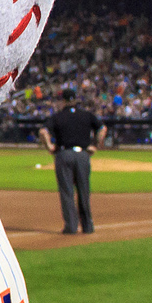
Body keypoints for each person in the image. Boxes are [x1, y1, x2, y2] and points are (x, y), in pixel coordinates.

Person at [41, 89, 107, 234]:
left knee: (67, 191)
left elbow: (43, 132)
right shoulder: (86, 115)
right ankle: (88, 226)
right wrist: (95, 145)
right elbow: (102, 129)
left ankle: (71, 226)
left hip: (64, 154)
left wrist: (50, 147)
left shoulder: (58, 116)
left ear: (63, 101)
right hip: (83, 154)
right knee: (84, 190)